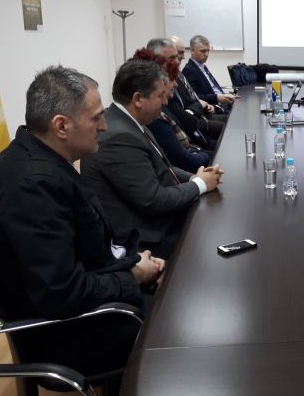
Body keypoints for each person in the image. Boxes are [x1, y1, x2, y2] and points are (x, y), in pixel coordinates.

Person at [0, 66, 164, 376]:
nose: (104, 126)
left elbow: (82, 250)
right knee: (181, 325)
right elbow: (62, 292)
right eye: (96, 118)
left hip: (89, 302)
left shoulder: (35, 156)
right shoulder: (33, 188)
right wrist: (132, 276)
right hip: (75, 332)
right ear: (61, 126)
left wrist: (134, 262)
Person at [80, 59, 223, 259]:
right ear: (138, 99)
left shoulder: (130, 121)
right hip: (148, 240)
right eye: (161, 95)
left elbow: (163, 166)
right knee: (214, 243)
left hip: (164, 220)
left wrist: (193, 178)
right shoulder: (118, 137)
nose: (166, 102)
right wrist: (200, 184)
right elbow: (153, 200)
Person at [182, 34, 238, 110]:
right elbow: (193, 97)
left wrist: (225, 96)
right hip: (213, 108)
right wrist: (217, 98)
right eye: (203, 51)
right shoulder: (189, 70)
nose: (206, 54)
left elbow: (213, 88)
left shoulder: (202, 66)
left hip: (223, 104)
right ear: (192, 51)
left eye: (208, 50)